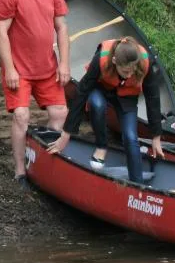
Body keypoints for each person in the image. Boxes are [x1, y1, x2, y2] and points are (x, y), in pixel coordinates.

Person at [0, 0, 70, 185]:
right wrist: (10, 69)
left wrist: (64, 63)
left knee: (60, 112)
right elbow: (0, 32)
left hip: (47, 66)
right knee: (21, 116)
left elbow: (62, 27)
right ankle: (19, 170)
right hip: (20, 68)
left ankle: (46, 161)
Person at [48, 37, 165, 182]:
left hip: (127, 96)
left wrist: (156, 137)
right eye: (125, 71)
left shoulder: (145, 63)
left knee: (130, 137)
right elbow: (82, 93)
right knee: (97, 105)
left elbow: (152, 98)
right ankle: (101, 146)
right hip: (101, 89)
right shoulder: (101, 59)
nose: (129, 75)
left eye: (132, 71)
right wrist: (66, 135)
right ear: (115, 61)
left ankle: (137, 183)